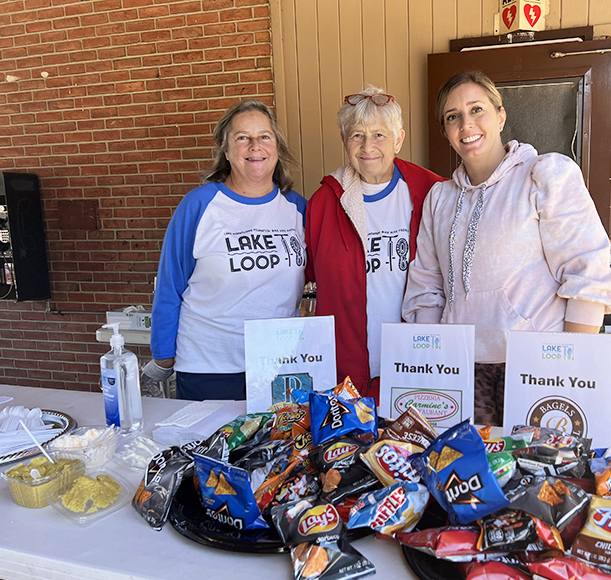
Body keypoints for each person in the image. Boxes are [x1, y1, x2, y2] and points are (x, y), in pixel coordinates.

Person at [402, 72, 611, 426]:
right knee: (473, 472)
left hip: (535, 365)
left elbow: (586, 270)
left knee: (536, 474)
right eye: (453, 117)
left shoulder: (544, 175)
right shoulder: (439, 199)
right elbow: (427, 284)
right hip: (462, 368)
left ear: (501, 116)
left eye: (477, 110)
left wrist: (568, 362)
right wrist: (434, 359)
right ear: (445, 131)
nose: (466, 124)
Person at [144, 99, 307, 400]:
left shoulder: (297, 208)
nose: (255, 146)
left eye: (264, 136)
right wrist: (163, 355)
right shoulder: (199, 205)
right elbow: (170, 285)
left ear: (277, 147)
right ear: (226, 150)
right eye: (242, 137)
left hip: (280, 366)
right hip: (210, 368)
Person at [305, 86, 445, 399]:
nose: (368, 146)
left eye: (380, 135)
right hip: (346, 371)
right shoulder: (324, 203)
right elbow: (309, 278)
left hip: (420, 364)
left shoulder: (433, 192)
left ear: (399, 139)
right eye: (357, 135)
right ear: (344, 140)